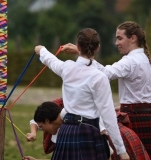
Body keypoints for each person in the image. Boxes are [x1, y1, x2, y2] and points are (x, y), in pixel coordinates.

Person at [33, 28, 129, 160]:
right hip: (88, 133)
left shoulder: (67, 67)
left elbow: (51, 60)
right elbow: (109, 116)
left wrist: (41, 50)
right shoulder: (99, 77)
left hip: (67, 131)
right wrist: (121, 150)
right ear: (98, 48)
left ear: (77, 46)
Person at [62, 21, 151, 156]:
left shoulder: (130, 61)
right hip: (146, 116)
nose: (116, 43)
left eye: (120, 38)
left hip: (134, 118)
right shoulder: (144, 58)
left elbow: (104, 73)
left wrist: (83, 53)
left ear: (133, 38)